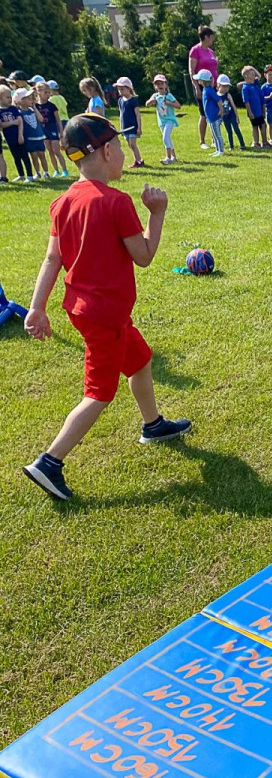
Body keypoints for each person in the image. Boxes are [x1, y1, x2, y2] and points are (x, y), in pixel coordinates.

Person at [22, 114, 191, 502]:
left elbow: (52, 259)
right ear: (108, 151)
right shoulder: (116, 202)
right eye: (119, 146)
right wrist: (157, 213)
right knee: (98, 393)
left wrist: (36, 308)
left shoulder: (62, 202)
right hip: (105, 315)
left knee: (140, 360)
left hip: (84, 309)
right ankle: (49, 462)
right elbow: (144, 256)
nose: (123, 154)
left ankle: (153, 425)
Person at [188, 25, 219, 149]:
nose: (213, 39)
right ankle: (202, 141)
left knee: (214, 112)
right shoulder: (195, 50)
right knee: (204, 113)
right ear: (206, 37)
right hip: (202, 86)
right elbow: (192, 70)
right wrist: (196, 87)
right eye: (212, 37)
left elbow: (214, 69)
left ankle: (214, 139)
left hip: (214, 85)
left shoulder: (211, 52)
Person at [33, 81, 67, 177]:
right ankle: (56, 170)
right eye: (46, 92)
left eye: (49, 92)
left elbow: (58, 120)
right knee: (50, 152)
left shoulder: (52, 106)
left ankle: (64, 170)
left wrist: (61, 131)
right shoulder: (36, 106)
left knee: (57, 151)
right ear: (38, 92)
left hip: (52, 129)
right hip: (43, 130)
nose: (48, 95)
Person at [145, 74, 180, 164]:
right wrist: (151, 101)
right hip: (161, 121)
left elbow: (178, 106)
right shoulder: (155, 96)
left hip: (170, 120)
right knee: (168, 139)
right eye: (157, 84)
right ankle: (174, 157)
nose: (160, 85)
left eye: (162, 83)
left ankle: (168, 158)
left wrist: (169, 103)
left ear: (166, 85)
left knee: (165, 138)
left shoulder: (169, 96)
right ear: (155, 86)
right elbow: (147, 104)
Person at [15, 87, 49, 180]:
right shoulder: (19, 113)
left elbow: (41, 119)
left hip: (39, 136)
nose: (31, 100)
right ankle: (37, 173)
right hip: (29, 138)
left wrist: (34, 107)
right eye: (28, 99)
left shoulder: (33, 110)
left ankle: (46, 172)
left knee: (42, 155)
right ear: (21, 101)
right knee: (34, 156)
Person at [0, 84, 31, 181]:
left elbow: (20, 121)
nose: (10, 99)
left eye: (10, 97)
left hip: (19, 136)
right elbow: (1, 125)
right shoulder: (0, 111)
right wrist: (12, 122)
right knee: (16, 157)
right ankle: (21, 175)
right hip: (9, 138)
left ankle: (29, 175)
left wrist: (20, 135)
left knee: (24, 156)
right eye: (7, 97)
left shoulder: (13, 109)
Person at [115, 76, 144, 168]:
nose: (120, 91)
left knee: (132, 144)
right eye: (119, 89)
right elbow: (121, 114)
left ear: (129, 89)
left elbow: (138, 114)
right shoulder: (120, 100)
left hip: (133, 126)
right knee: (130, 145)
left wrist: (139, 127)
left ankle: (138, 161)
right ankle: (138, 159)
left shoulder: (133, 101)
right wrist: (121, 126)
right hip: (125, 127)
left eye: (122, 89)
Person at [194, 69, 224, 156]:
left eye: (199, 79)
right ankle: (217, 150)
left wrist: (221, 110)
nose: (198, 81)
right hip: (210, 117)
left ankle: (221, 151)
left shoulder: (209, 90)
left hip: (214, 116)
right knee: (214, 134)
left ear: (203, 80)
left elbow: (218, 100)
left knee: (217, 134)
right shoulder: (205, 89)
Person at [217, 75, 245, 151]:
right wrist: (220, 119)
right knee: (229, 131)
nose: (226, 88)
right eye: (224, 86)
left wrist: (237, 116)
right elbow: (217, 109)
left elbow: (233, 105)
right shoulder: (216, 96)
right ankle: (231, 146)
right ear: (218, 85)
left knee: (236, 129)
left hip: (231, 115)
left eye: (227, 86)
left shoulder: (228, 95)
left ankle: (242, 145)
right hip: (225, 117)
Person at [240, 66, 265, 149]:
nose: (254, 76)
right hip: (253, 112)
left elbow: (259, 76)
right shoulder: (245, 88)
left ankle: (264, 141)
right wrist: (250, 112)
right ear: (246, 76)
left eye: (254, 74)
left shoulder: (254, 85)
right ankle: (255, 142)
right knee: (255, 127)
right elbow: (246, 101)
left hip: (259, 111)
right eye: (252, 74)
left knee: (263, 125)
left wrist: (251, 68)